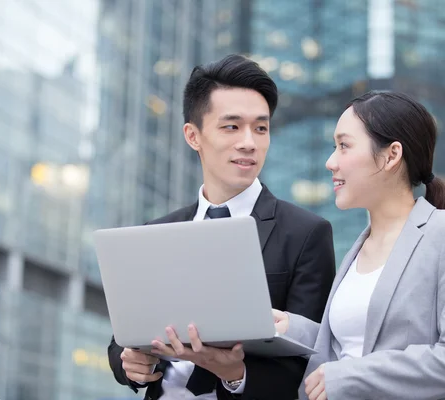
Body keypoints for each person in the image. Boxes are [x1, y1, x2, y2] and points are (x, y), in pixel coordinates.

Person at [107, 54, 336, 400]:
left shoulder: (306, 234)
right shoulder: (158, 231)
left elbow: (309, 364)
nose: (249, 142)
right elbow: (124, 336)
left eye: (261, 128)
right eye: (232, 126)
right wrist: (131, 365)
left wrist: (235, 374)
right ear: (193, 135)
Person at [274, 91, 445, 400]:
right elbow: (355, 344)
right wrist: (292, 328)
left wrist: (354, 376)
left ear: (391, 155)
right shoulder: (358, 246)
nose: (330, 162)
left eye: (344, 145)